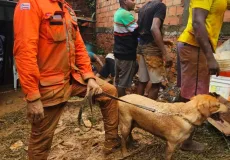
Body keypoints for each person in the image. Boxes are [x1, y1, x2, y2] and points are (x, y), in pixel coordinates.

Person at [13, 0, 120, 159]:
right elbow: (24, 52)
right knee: (41, 139)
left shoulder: (66, 8)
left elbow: (79, 47)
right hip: (49, 86)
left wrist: (89, 77)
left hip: (73, 79)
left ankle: (112, 143)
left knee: (109, 92)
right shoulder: (30, 4)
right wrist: (33, 96)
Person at [177, 0, 228, 152]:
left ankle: (178, 131)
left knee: (190, 93)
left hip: (197, 47)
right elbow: (198, 23)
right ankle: (185, 142)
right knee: (194, 96)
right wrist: (210, 57)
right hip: (196, 46)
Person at [137, 0, 173, 100]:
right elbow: (154, 28)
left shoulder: (143, 8)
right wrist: (165, 53)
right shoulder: (160, 6)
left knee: (142, 81)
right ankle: (149, 113)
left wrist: (162, 40)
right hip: (152, 50)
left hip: (140, 47)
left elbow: (142, 31)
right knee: (156, 84)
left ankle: (136, 109)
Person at [114, 0, 139, 97]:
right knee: (122, 84)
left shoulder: (118, 12)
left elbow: (131, 27)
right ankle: (122, 103)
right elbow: (137, 31)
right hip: (126, 53)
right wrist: (139, 15)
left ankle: (117, 99)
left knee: (119, 80)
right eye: (132, 0)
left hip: (119, 51)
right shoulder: (125, 14)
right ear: (124, 1)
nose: (134, 2)